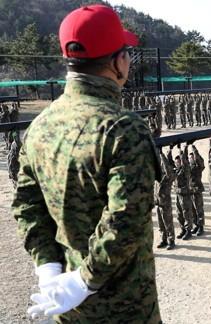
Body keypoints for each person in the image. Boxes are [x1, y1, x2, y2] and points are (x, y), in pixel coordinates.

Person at [11, 5, 162, 322]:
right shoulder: (123, 129)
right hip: (126, 307)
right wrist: (84, 280)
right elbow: (126, 222)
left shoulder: (40, 125)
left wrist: (49, 270)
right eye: (127, 54)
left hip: (68, 306)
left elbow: (27, 205)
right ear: (118, 62)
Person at [155, 149, 176, 250]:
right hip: (158, 203)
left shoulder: (168, 177)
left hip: (165, 203)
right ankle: (163, 239)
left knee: (168, 222)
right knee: (160, 223)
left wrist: (162, 154)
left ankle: (171, 240)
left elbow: (168, 170)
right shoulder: (157, 177)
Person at [174, 146, 194, 240]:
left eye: (178, 162)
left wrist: (181, 151)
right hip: (177, 195)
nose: (177, 164)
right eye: (176, 162)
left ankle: (188, 231)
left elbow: (185, 162)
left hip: (185, 195)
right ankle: (183, 229)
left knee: (186, 213)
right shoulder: (175, 171)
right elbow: (169, 163)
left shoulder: (185, 170)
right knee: (179, 214)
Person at [189, 144, 205, 236]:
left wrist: (194, 149)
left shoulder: (198, 167)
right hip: (190, 191)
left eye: (192, 158)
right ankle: (196, 225)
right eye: (189, 158)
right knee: (192, 210)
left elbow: (199, 161)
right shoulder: (188, 167)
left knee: (199, 209)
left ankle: (201, 226)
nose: (191, 159)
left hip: (197, 190)